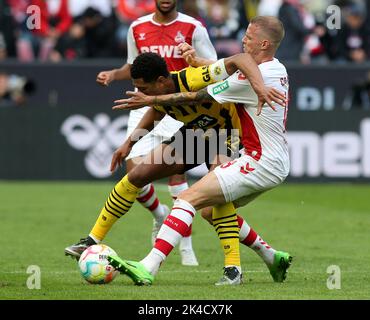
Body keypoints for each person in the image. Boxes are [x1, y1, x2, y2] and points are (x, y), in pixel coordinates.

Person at [107, 16, 292, 286]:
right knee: (211, 210)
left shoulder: (254, 77)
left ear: (264, 43)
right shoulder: (276, 69)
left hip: (259, 162)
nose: (243, 40)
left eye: (249, 37)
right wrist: (198, 63)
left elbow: (200, 96)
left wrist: (152, 100)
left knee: (187, 199)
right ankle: (272, 257)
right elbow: (228, 67)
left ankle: (149, 266)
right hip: (273, 162)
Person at [65, 0, 218, 266]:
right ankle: (159, 215)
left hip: (183, 104)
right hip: (148, 102)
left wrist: (193, 61)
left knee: (177, 173)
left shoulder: (194, 27)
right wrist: (114, 74)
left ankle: (186, 247)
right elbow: (132, 66)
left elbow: (214, 68)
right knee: (134, 172)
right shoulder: (137, 27)